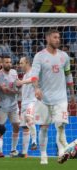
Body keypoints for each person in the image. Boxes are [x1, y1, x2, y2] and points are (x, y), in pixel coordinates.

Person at [30, 29, 75, 164]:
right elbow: (34, 76)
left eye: (59, 38)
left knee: (60, 126)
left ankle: (63, 152)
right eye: (55, 37)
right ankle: (43, 155)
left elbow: (68, 74)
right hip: (44, 99)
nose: (58, 40)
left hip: (61, 98)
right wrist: (36, 88)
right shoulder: (39, 56)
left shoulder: (64, 56)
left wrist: (72, 93)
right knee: (44, 127)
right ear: (47, 38)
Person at [0, 55, 21, 157]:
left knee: (16, 126)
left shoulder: (14, 72)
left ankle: (13, 150)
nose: (9, 64)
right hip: (2, 106)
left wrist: (19, 87)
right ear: (1, 63)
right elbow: (4, 89)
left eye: (10, 62)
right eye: (6, 62)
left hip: (14, 106)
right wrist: (16, 91)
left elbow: (18, 84)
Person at [16, 56, 38, 158]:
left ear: (27, 63)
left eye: (21, 63)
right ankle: (24, 153)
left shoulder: (34, 71)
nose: (20, 65)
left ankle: (34, 141)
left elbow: (34, 79)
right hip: (24, 103)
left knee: (29, 118)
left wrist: (22, 82)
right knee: (25, 127)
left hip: (32, 101)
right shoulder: (24, 76)